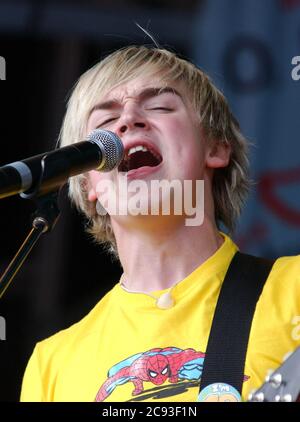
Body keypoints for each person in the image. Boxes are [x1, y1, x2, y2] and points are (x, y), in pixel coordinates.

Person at [20, 45, 300, 402]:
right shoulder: (53, 364)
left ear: (215, 148)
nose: (128, 120)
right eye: (105, 122)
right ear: (89, 183)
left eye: (160, 106)